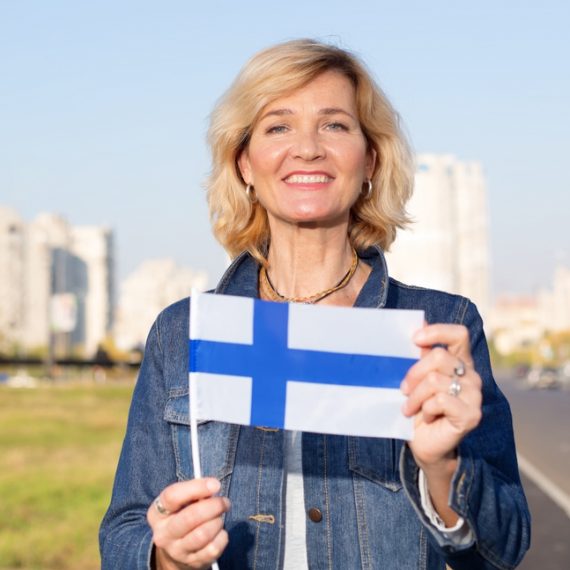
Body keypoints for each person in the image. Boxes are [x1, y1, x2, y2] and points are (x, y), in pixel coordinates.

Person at [100, 39, 530, 569]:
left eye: (334, 125)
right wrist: (167, 556)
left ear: (370, 158)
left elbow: (503, 550)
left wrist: (442, 465)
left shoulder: (437, 329)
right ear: (245, 165)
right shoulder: (186, 331)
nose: (307, 148)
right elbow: (121, 535)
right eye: (278, 126)